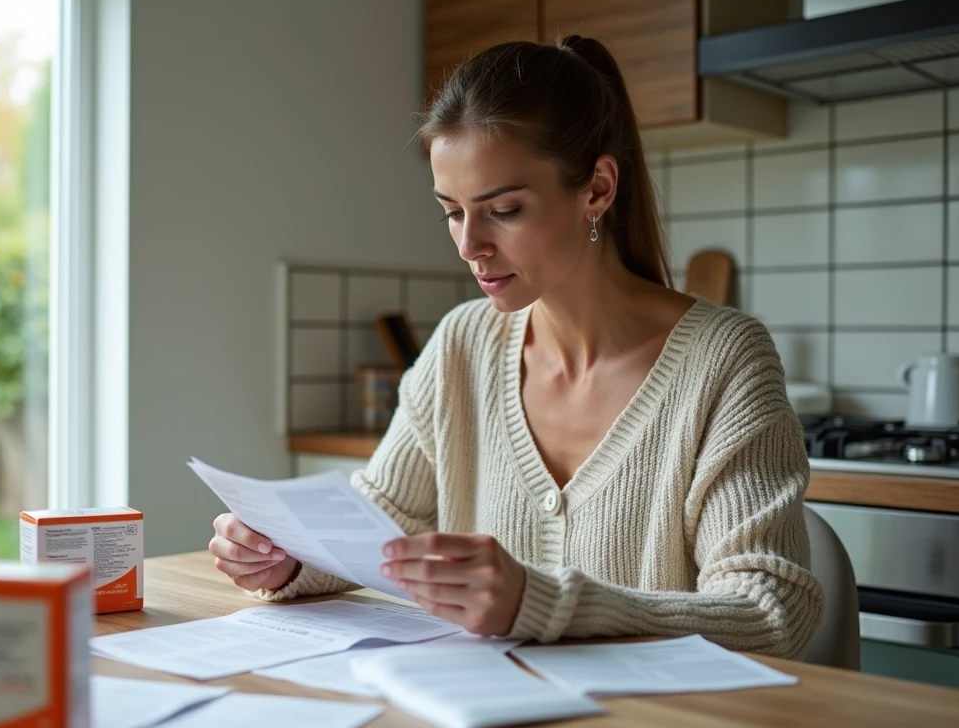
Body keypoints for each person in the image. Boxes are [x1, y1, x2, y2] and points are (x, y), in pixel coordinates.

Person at [208, 35, 824, 659]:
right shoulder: (462, 344)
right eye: (452, 212)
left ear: (598, 189)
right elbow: (383, 523)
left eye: (502, 210)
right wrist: (285, 556)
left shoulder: (725, 360)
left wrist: (542, 601)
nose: (469, 245)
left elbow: (771, 611)